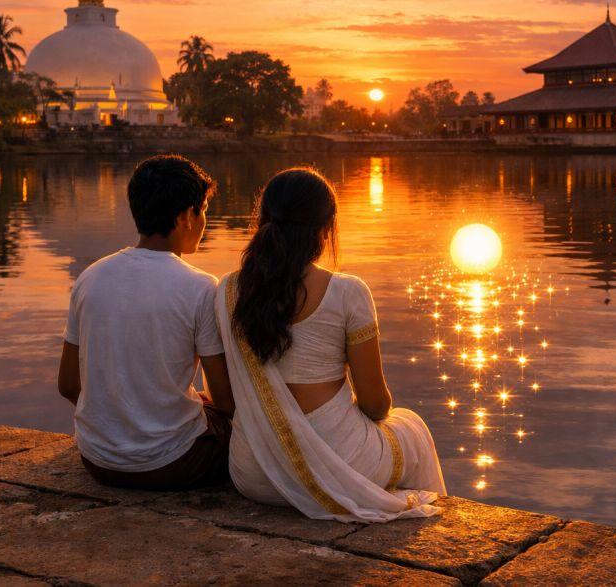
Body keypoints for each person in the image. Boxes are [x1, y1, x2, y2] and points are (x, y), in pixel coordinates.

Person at [216, 167, 446, 522]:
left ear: (262, 221)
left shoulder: (227, 292)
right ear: (326, 229)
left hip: (253, 472)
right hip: (342, 465)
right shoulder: (347, 292)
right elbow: (375, 404)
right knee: (410, 426)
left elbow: (227, 400)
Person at [57, 154, 235, 490]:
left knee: (199, 402)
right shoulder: (199, 287)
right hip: (174, 462)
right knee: (235, 425)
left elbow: (68, 385)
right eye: (204, 211)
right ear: (186, 216)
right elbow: (226, 402)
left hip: (97, 459)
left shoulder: (90, 277)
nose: (204, 221)